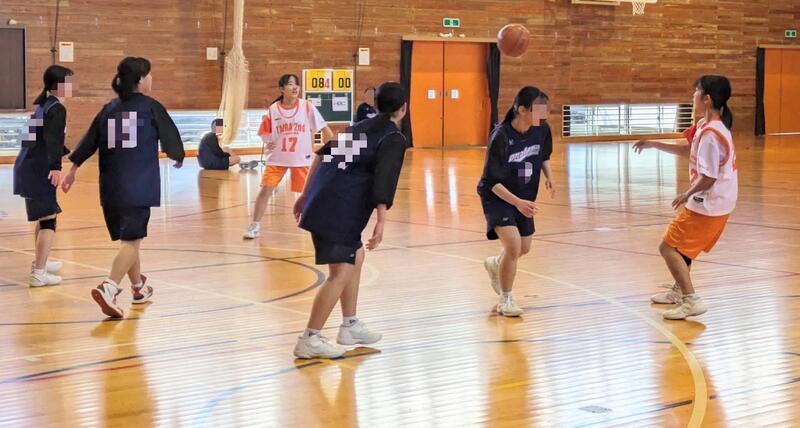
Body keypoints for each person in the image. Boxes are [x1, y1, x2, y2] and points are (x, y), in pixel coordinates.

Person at [292, 82, 409, 359]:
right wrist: (381, 222)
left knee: (356, 255)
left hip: (324, 199)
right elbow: (385, 180)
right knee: (340, 273)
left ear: (376, 104)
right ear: (403, 109)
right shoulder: (392, 137)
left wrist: (305, 194)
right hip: (337, 209)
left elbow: (322, 156)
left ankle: (349, 325)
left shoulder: (361, 127)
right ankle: (309, 338)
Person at [62, 57, 185, 318]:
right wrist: (177, 154)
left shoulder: (109, 109)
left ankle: (138, 288)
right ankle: (109, 287)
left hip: (111, 187)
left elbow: (88, 141)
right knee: (131, 240)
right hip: (137, 185)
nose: (151, 79)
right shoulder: (150, 107)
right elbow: (170, 137)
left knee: (129, 239)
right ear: (140, 79)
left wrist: (73, 168)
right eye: (149, 75)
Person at [633, 75, 738, 320]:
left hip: (710, 202)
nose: (693, 96)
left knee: (668, 247)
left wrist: (686, 194)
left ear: (707, 98)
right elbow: (689, 149)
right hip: (715, 201)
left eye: (696, 92)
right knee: (682, 248)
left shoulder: (711, 134)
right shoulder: (706, 125)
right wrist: (654, 144)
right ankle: (678, 290)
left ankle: (691, 299)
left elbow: (709, 176)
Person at [477, 86, 555, 317]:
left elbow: (544, 155)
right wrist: (517, 202)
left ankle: (496, 264)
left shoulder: (542, 129)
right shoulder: (501, 136)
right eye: (538, 109)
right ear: (522, 110)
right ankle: (506, 299)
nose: (544, 114)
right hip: (497, 195)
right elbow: (492, 181)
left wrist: (549, 176)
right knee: (513, 245)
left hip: (524, 196)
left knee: (524, 247)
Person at [243, 74, 334, 239]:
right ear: (281, 88)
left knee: (312, 193)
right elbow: (263, 132)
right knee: (265, 191)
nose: (295, 87)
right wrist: (268, 141)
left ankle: (323, 226)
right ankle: (254, 225)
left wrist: (333, 153)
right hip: (277, 159)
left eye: (297, 84)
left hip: (301, 159)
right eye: (291, 84)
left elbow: (326, 131)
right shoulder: (273, 109)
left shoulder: (307, 107)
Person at [13, 65, 74, 287]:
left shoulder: (43, 106)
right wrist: (56, 166)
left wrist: (63, 152)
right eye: (69, 82)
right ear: (58, 85)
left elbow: (33, 138)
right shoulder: (56, 109)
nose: (72, 86)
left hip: (27, 166)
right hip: (40, 169)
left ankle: (41, 263)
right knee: (49, 219)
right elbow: (51, 140)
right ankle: (39, 273)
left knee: (43, 216)